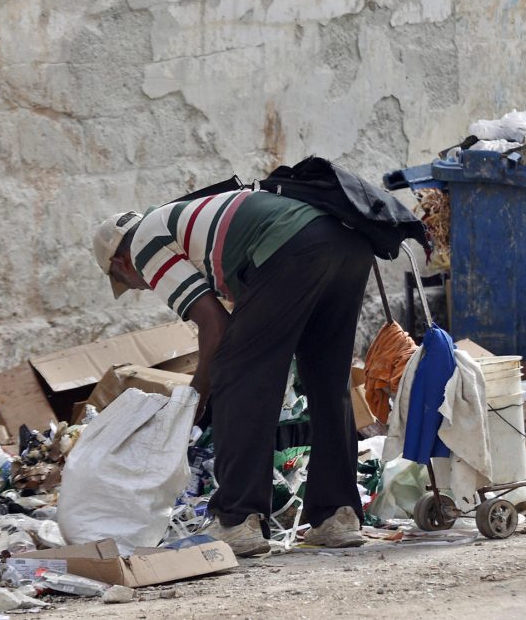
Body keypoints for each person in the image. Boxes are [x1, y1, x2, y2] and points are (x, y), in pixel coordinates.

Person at [93, 187, 373, 556]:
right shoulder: (183, 227)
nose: (139, 287)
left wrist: (194, 399)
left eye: (125, 282)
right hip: (346, 243)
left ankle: (237, 519)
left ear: (121, 263)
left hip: (293, 246)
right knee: (326, 379)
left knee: (237, 372)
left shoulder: (144, 244)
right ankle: (338, 516)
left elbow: (215, 328)